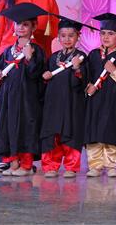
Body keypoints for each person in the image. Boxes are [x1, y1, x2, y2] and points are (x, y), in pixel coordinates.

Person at [0, 3, 48, 176]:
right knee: (8, 126)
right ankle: (13, 163)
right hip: (9, 97)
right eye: (18, 24)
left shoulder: (37, 50)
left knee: (26, 127)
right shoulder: (8, 51)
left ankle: (27, 165)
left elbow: (37, 75)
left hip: (27, 98)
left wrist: (29, 58)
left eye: (25, 24)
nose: (21, 27)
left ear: (34, 27)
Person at [40, 15, 94, 178]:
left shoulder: (82, 57)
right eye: (63, 35)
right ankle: (51, 165)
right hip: (53, 102)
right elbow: (44, 81)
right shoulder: (53, 57)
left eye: (71, 35)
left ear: (78, 36)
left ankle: (71, 166)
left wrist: (77, 69)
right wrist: (45, 76)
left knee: (71, 132)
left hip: (72, 102)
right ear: (58, 37)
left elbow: (83, 81)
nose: (67, 39)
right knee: (52, 133)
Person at [83, 13, 116, 178]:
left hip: (114, 99)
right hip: (95, 99)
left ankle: (110, 165)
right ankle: (95, 165)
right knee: (94, 130)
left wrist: (115, 72)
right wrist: (88, 86)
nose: (106, 37)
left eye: (111, 33)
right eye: (103, 33)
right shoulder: (93, 55)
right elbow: (85, 75)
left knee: (111, 129)